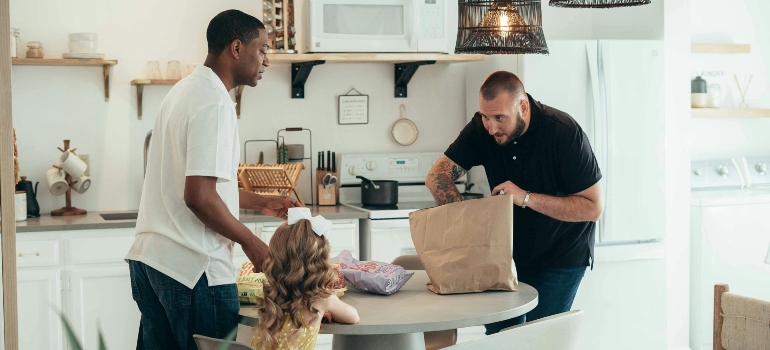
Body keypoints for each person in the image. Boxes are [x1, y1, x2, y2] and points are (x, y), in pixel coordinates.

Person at [125, 10, 301, 349]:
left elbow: (195, 186)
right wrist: (252, 243)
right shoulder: (215, 103)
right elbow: (199, 198)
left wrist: (262, 201)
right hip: (195, 270)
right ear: (236, 49)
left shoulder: (184, 91)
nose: (266, 60)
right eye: (262, 49)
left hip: (152, 262)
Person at [426, 71, 603, 334]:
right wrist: (467, 231)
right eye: (486, 116)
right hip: (503, 256)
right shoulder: (481, 128)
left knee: (537, 340)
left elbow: (593, 208)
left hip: (559, 256)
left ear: (523, 106)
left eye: (500, 118)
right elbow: (437, 177)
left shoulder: (563, 133)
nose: (491, 128)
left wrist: (525, 198)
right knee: (501, 339)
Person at [253, 208, 360, 350]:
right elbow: (353, 317)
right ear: (321, 259)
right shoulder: (322, 299)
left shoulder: (272, 296)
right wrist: (326, 310)